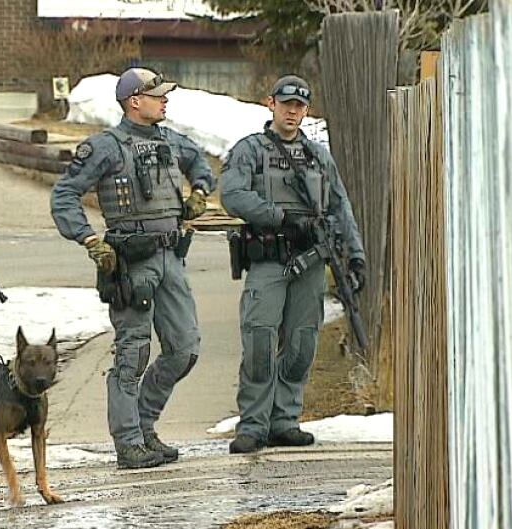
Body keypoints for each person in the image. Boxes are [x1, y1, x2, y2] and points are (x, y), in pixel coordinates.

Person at [51, 67, 213, 469]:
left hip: (172, 258)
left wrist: (200, 193)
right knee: (132, 355)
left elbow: (202, 165)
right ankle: (128, 442)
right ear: (134, 101)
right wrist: (90, 240)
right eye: (157, 95)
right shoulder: (106, 147)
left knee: (185, 349)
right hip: (131, 264)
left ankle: (144, 424)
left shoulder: (171, 141)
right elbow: (65, 195)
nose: (165, 100)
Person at [220, 75, 366, 454]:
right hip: (269, 258)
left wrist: (355, 255)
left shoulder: (319, 155)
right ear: (271, 104)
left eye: (299, 106)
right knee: (260, 342)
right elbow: (233, 196)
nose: (292, 111)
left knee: (302, 344)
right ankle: (253, 423)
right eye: (286, 104)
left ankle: (285, 419)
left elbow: (340, 206)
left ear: (307, 110)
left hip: (311, 261)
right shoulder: (249, 150)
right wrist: (280, 217)